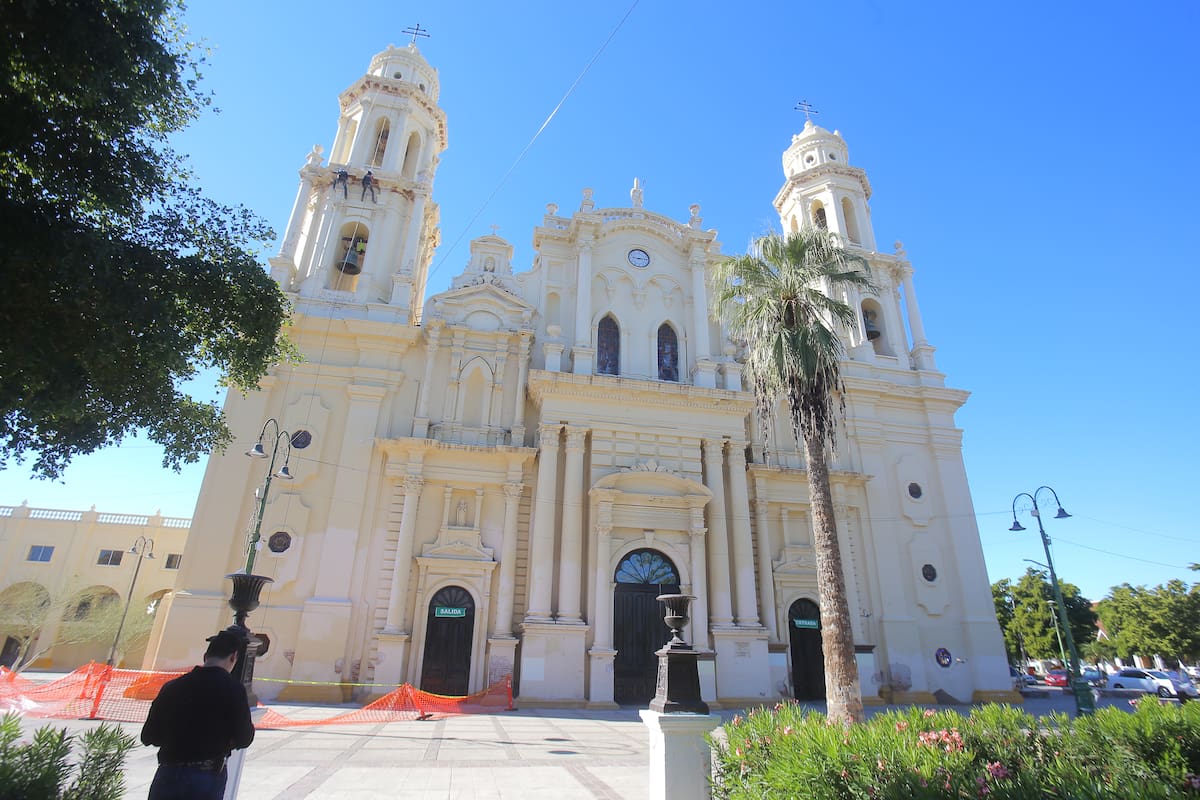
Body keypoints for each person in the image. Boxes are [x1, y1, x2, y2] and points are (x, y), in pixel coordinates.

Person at [141, 629, 255, 800]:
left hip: (168, 772)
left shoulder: (172, 687)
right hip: (206, 776)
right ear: (233, 658)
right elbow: (244, 737)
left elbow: (149, 736)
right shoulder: (233, 690)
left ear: (205, 656)